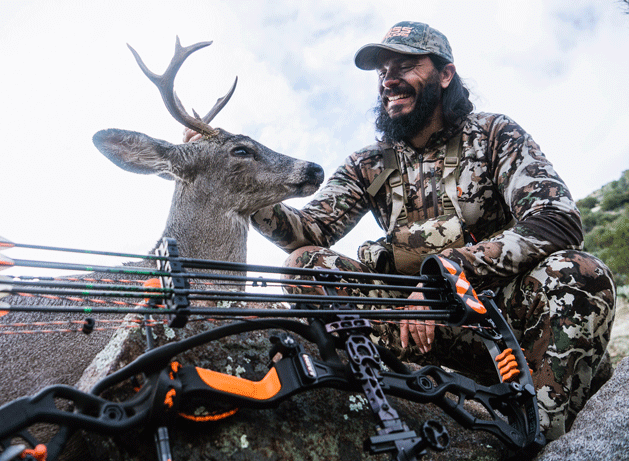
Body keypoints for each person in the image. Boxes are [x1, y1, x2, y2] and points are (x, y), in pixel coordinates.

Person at [186, 21, 616, 441]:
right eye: (382, 71)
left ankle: (539, 429)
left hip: (503, 320)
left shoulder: (493, 134)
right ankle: (386, 386)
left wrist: (446, 275)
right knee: (305, 264)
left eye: (405, 66)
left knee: (580, 272)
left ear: (445, 75)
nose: (388, 79)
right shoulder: (368, 164)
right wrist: (230, 169)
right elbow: (307, 231)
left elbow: (556, 219)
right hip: (413, 326)